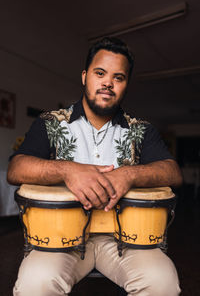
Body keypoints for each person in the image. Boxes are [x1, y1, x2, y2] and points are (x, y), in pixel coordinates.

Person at [7, 37, 182, 296]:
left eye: (118, 77)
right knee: (35, 283)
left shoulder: (142, 130)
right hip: (60, 237)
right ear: (85, 76)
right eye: (100, 73)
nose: (108, 83)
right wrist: (68, 170)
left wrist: (130, 174)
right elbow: (16, 169)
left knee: (163, 283)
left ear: (125, 86)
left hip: (127, 239)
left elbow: (172, 172)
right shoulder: (49, 123)